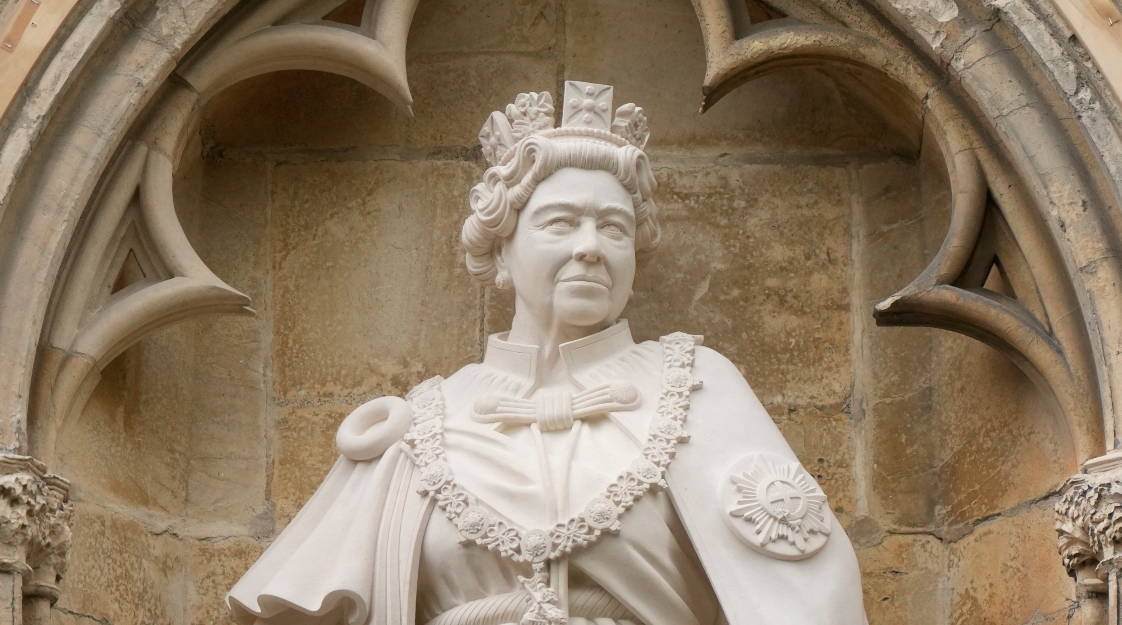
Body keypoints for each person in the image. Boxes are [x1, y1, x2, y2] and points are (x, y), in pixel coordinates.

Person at [227, 81, 869, 625]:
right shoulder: (416, 428)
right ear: (502, 250)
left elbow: (810, 596)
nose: (591, 246)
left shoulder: (698, 391)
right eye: (560, 222)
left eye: (614, 227)